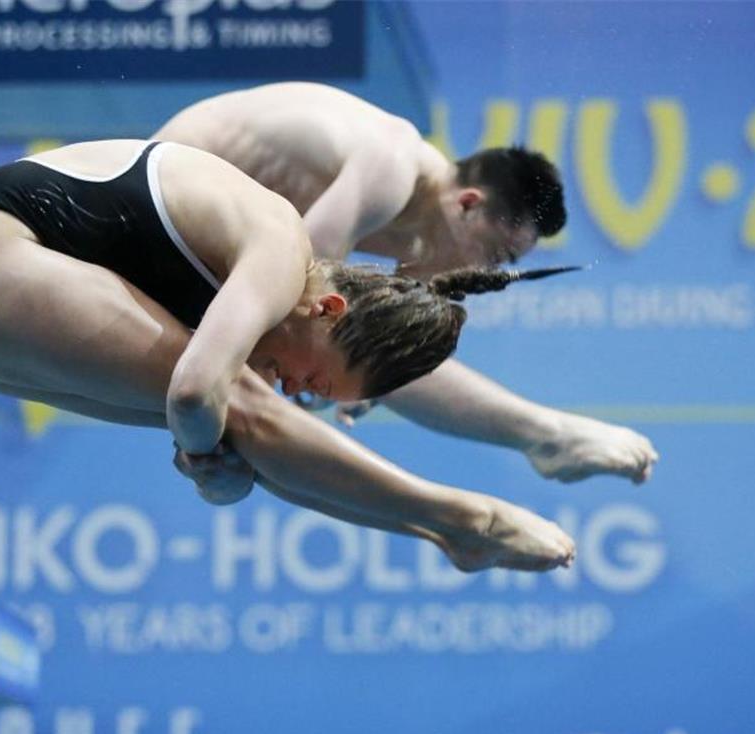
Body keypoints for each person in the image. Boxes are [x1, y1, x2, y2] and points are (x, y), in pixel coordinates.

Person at [0, 137, 576, 572]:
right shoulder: (282, 253)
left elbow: (221, 433)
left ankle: (443, 531)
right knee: (238, 409)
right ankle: (463, 519)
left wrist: (212, 467)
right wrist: (204, 450)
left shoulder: (256, 323)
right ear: (330, 310)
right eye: (313, 379)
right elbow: (196, 399)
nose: (293, 389)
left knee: (244, 421)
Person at [155, 82, 659, 486]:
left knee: (379, 347)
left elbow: (381, 340)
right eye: (496, 255)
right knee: (328, 352)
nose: (489, 273)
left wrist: (356, 374)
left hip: (198, 244)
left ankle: (541, 434)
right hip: (159, 208)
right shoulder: (392, 165)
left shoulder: (421, 236)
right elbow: (287, 299)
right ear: (468, 204)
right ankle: (544, 434)